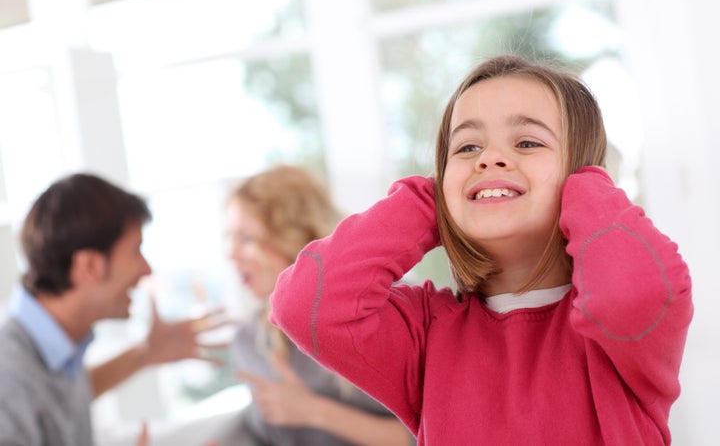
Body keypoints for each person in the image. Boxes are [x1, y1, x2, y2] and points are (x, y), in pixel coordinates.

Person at [269, 55, 693, 445]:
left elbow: (629, 295)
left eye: (528, 143)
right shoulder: (428, 334)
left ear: (581, 172)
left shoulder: (622, 333)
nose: (489, 158)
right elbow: (305, 305)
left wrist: (588, 185)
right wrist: (431, 200)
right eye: (467, 147)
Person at [0, 173, 224, 446]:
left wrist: (145, 353)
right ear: (90, 266)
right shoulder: (9, 376)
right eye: (135, 251)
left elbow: (59, 399)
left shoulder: (49, 346)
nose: (146, 269)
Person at [226, 164, 413, 446]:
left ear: (293, 235)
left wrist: (313, 411)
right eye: (230, 238)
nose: (231, 254)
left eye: (247, 239)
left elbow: (429, 435)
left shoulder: (383, 310)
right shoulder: (249, 340)